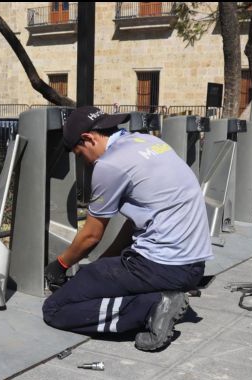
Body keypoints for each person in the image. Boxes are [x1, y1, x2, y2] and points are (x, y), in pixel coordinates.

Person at [42, 106, 213, 351]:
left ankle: (152, 308)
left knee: (55, 308)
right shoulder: (149, 141)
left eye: (79, 154)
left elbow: (91, 235)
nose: (83, 162)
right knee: (94, 276)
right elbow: (137, 222)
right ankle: (161, 298)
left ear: (88, 139)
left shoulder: (109, 165)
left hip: (161, 266)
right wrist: (101, 266)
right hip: (193, 265)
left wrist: (59, 265)